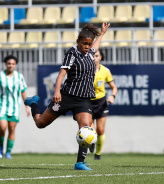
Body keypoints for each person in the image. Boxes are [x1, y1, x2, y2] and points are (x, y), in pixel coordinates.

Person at [24, 22, 110, 170]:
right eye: (84, 44)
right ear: (78, 42)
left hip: (84, 100)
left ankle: (80, 162)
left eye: (89, 44)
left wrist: (102, 34)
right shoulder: (72, 53)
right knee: (40, 123)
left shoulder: (90, 53)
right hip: (66, 97)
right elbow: (61, 74)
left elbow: (96, 44)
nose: (87, 47)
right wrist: (56, 91)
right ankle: (33, 103)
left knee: (86, 127)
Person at [89, 50, 118, 160]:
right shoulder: (86, 70)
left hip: (101, 102)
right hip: (88, 102)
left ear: (100, 57)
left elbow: (114, 87)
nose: (94, 58)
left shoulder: (105, 71)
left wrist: (112, 96)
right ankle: (91, 142)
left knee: (100, 130)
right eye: (93, 56)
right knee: (91, 130)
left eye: (96, 56)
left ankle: (98, 154)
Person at [0, 55, 30, 159]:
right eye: (9, 63)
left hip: (14, 107)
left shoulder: (19, 76)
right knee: (2, 128)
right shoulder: (0, 76)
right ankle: (0, 149)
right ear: (5, 64)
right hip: (2, 106)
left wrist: (27, 106)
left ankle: (8, 152)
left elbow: (23, 92)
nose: (10, 66)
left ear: (15, 65)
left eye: (13, 64)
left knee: (12, 129)